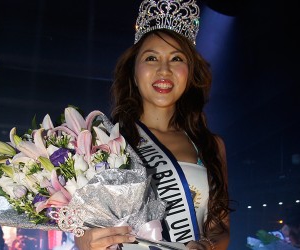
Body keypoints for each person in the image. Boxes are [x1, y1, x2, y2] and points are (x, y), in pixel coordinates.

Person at [75, 0, 230, 249]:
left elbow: (219, 229)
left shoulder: (211, 145)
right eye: (151, 58)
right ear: (134, 73)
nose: (164, 70)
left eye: (177, 59)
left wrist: (207, 246)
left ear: (190, 74)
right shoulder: (103, 141)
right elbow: (86, 225)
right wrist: (83, 239)